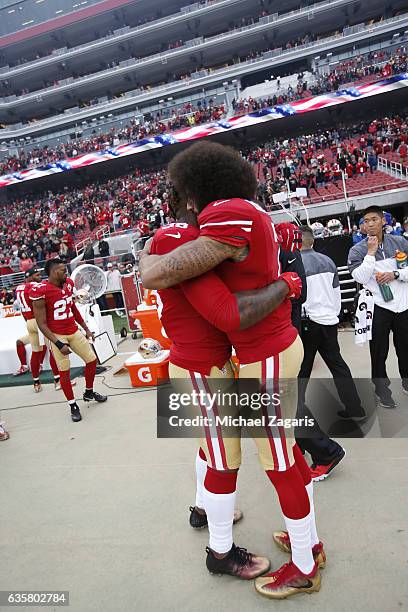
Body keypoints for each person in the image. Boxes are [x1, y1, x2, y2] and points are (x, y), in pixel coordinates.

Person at [139, 142, 323, 600]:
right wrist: (288, 283)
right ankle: (303, 545)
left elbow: (220, 309)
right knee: (247, 456)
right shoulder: (230, 219)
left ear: (194, 187)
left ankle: (304, 565)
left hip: (258, 353)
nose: (174, 195)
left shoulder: (223, 214)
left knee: (274, 460)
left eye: (177, 188)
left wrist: (148, 261)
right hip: (231, 358)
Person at [31, 258, 107, 422]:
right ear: (53, 272)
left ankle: (88, 391)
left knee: (92, 360)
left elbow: (72, 306)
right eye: (62, 270)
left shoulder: (68, 284)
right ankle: (73, 405)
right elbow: (41, 324)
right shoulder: (42, 290)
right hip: (57, 335)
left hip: (73, 330)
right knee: (64, 370)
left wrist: (86, 329)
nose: (66, 273)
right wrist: (58, 343)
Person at [348, 205, 408, 408]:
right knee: (379, 353)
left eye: (374, 219)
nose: (370, 223)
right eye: (366, 221)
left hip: (403, 306)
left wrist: (396, 274)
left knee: (405, 349)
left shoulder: (400, 242)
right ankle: (383, 391)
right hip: (377, 308)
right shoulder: (357, 250)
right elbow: (361, 277)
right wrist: (371, 253)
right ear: (363, 226)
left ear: (384, 221)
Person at [14, 268, 61, 392]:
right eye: (37, 275)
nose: (40, 276)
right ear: (29, 277)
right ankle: (57, 381)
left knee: (35, 352)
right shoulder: (34, 286)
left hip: (29, 322)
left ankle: (36, 383)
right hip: (39, 321)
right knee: (52, 350)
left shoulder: (19, 288)